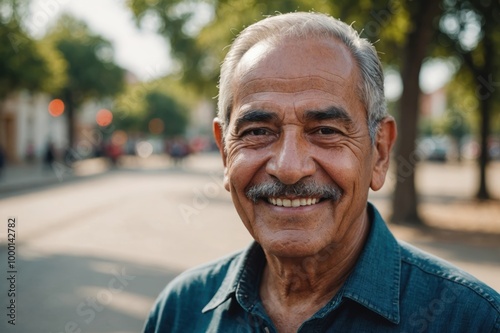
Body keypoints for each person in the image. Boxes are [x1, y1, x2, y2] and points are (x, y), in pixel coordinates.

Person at [143, 12, 500, 332]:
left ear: (379, 153)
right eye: (257, 132)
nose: (289, 168)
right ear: (224, 151)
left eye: (326, 131)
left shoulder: (473, 320)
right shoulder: (181, 311)